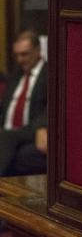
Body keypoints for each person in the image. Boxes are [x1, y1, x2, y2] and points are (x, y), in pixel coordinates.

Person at [0, 30, 48, 176]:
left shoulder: (50, 73)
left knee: (6, 137)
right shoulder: (16, 75)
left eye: (24, 54)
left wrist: (42, 125)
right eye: (17, 55)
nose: (20, 60)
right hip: (7, 130)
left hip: (30, 130)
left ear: (38, 51)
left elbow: (53, 106)